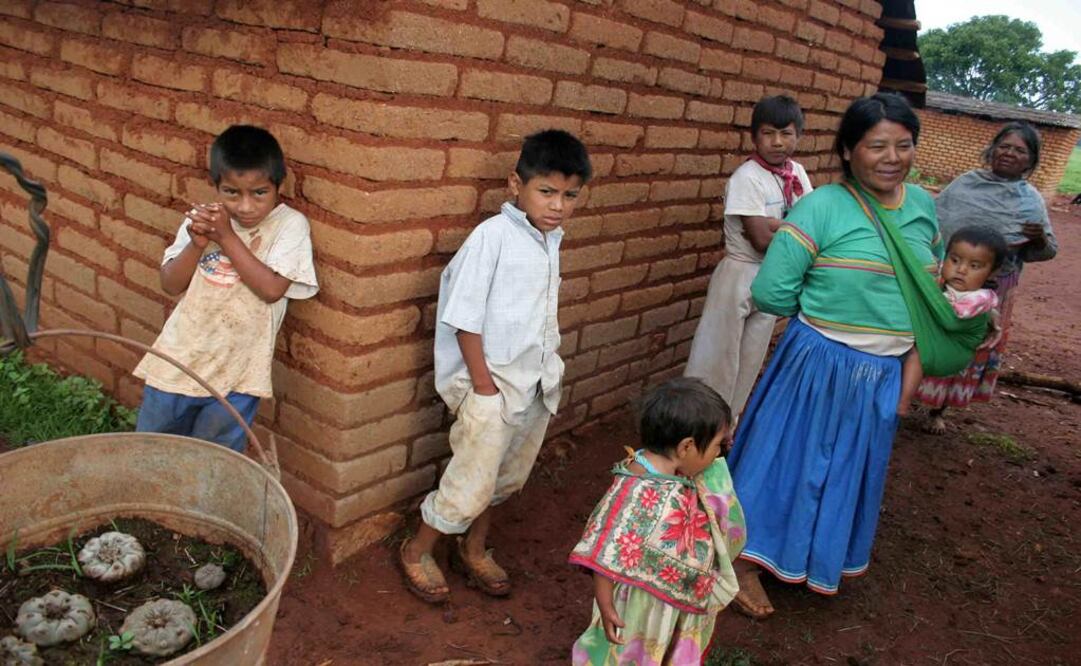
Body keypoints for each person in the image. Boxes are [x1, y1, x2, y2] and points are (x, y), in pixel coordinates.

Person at [726, 93, 942, 619]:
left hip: (884, 372)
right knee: (784, 459)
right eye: (877, 146)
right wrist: (829, 314)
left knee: (847, 467)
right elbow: (774, 291)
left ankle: (805, 556)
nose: (892, 157)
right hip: (818, 362)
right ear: (848, 151)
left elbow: (931, 281)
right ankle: (739, 565)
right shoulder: (820, 207)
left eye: (904, 145)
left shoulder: (923, 209)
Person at [398, 129, 592, 603]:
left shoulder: (549, 241)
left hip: (533, 384)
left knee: (505, 476)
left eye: (570, 195)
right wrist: (483, 389)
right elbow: (464, 318)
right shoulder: (493, 238)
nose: (557, 205)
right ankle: (417, 550)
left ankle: (474, 546)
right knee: (471, 478)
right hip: (492, 387)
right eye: (546, 191)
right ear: (515, 185)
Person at [133, 125, 318, 451]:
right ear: (216, 187)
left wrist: (226, 238)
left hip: (238, 375)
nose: (245, 207)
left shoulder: (289, 226)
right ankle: (151, 502)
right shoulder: (204, 220)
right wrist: (196, 244)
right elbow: (170, 283)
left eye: (259, 192)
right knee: (153, 449)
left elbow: (272, 289)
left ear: (279, 186)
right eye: (232, 193)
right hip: (178, 360)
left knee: (216, 460)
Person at [569, 378, 745, 665]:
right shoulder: (637, 489)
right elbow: (603, 548)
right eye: (717, 446)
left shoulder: (679, 470)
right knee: (635, 651)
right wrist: (605, 604)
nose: (721, 453)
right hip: (642, 603)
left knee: (660, 648)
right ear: (687, 446)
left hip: (669, 601)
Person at [915, 122, 1058, 433]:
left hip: (994, 288)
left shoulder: (1030, 200)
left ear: (1030, 161)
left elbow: (1049, 250)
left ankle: (938, 408)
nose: (1009, 153)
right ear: (992, 149)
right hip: (948, 276)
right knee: (930, 333)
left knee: (968, 342)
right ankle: (908, 392)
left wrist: (1037, 240)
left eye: (1019, 150)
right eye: (1004, 146)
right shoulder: (966, 184)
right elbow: (934, 221)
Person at [684, 95, 813, 417]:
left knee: (748, 361)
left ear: (799, 135)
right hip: (739, 274)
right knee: (716, 360)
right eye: (768, 133)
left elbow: (812, 227)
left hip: (772, 278)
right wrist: (792, 230)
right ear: (754, 136)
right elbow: (759, 240)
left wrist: (778, 227)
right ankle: (693, 426)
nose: (778, 142)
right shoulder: (747, 177)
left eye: (786, 133)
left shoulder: (795, 172)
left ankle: (725, 431)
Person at [897, 226, 1007, 415]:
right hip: (938, 340)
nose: (961, 270)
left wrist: (927, 295)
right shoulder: (944, 279)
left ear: (992, 273)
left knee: (915, 355)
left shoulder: (981, 298)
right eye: (954, 260)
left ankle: (903, 403)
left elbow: (951, 315)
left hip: (951, 353)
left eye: (975, 266)